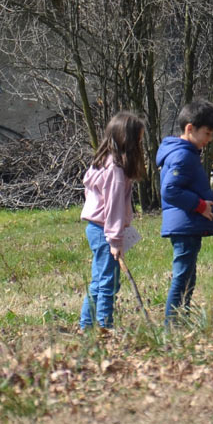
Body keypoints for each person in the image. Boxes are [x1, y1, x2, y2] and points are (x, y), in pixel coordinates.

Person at [79, 110, 146, 330]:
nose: (140, 145)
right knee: (107, 283)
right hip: (105, 232)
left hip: (97, 229)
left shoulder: (102, 162)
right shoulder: (116, 170)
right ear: (127, 140)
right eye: (138, 140)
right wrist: (115, 240)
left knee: (100, 281)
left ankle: (87, 326)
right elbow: (114, 208)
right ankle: (104, 328)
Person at [156, 99, 213, 322]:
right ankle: (172, 325)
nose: (209, 139)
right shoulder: (183, 155)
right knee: (182, 277)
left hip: (187, 225)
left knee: (188, 277)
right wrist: (200, 206)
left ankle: (180, 320)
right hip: (185, 225)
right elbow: (170, 190)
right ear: (190, 128)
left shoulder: (186, 153)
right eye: (207, 133)